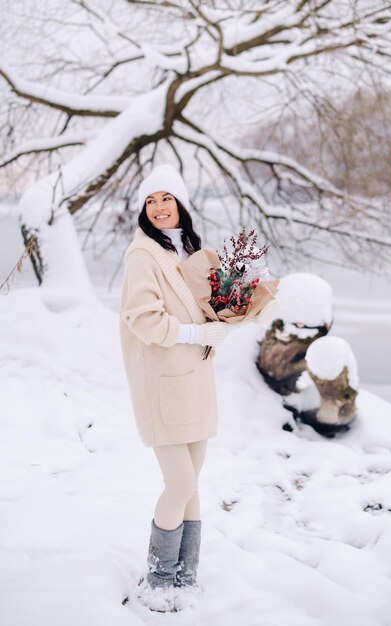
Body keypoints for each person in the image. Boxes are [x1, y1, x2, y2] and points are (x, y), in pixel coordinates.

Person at [119, 164, 233, 612]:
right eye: (151, 200)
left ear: (181, 204)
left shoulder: (189, 250)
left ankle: (186, 578)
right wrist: (196, 335)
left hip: (196, 382)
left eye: (167, 198)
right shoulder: (142, 255)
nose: (159, 207)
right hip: (162, 384)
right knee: (179, 481)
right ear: (145, 210)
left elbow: (203, 311)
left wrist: (222, 322)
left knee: (193, 485)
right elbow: (144, 319)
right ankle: (158, 580)